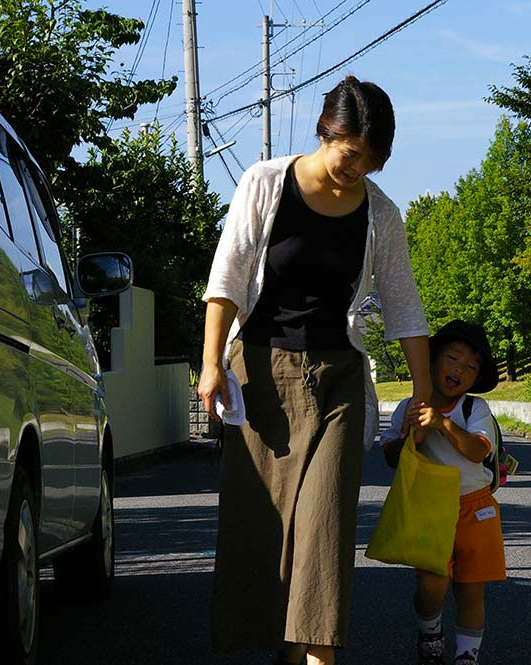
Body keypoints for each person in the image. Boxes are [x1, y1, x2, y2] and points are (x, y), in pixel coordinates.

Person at [197, 76, 431, 665]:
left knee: (325, 526)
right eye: (351, 154)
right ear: (326, 132)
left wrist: (424, 395)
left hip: (341, 381)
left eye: (372, 161)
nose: (359, 169)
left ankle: (319, 654)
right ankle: (280, 644)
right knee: (264, 527)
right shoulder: (265, 184)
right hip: (262, 374)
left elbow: (404, 306)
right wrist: (210, 362)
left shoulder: (381, 214)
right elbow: (227, 278)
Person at [379, 320, 506, 665]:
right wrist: (408, 435)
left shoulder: (473, 409)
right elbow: (391, 456)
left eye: (470, 367)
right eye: (453, 358)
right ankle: (429, 628)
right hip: (429, 506)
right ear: (432, 361)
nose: (460, 370)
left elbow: (479, 451)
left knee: (470, 589)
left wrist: (443, 424)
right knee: (431, 585)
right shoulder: (409, 406)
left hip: (475, 507)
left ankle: (467, 656)